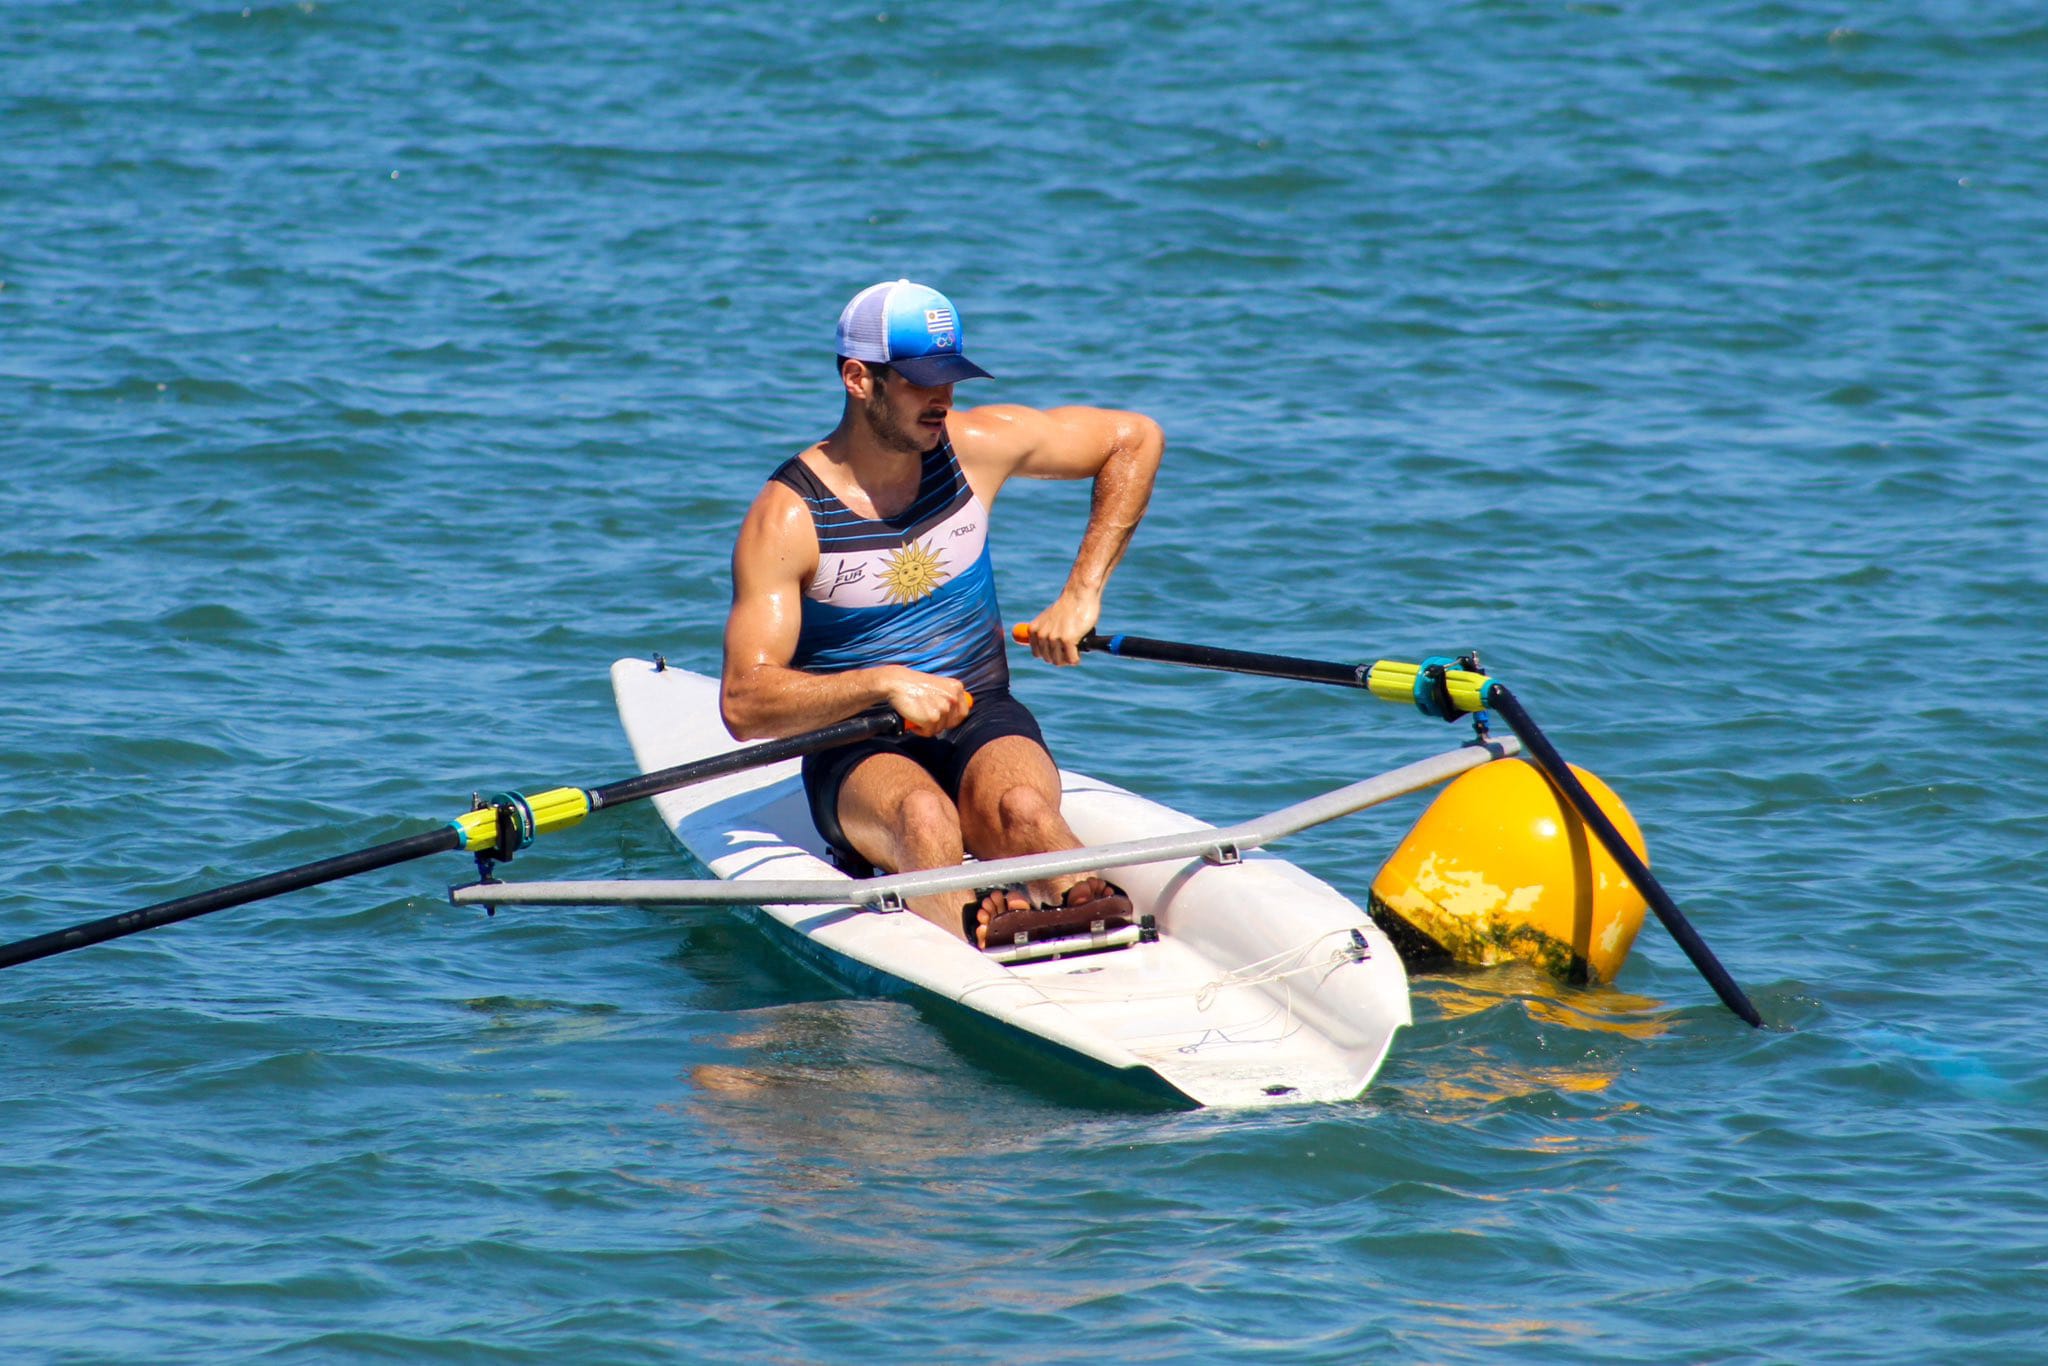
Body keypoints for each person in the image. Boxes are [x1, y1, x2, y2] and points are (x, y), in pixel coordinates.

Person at [720, 279, 1164, 948]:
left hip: (981, 706)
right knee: (925, 817)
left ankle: (1079, 897)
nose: (944, 398)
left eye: (951, 377)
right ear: (858, 378)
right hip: (856, 740)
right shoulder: (789, 516)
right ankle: (974, 926)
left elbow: (1133, 439)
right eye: (921, 381)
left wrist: (1083, 592)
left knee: (1023, 809)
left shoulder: (975, 445)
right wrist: (881, 683)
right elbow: (744, 703)